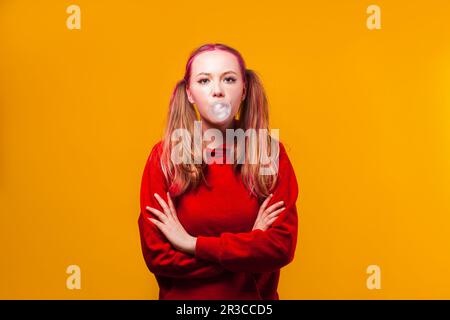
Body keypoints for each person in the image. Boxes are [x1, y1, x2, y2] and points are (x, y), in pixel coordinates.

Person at [137, 43, 299, 300]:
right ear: (189, 93)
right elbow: (159, 257)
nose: (217, 91)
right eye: (204, 80)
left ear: (244, 90)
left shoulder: (268, 153)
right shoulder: (165, 157)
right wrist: (248, 245)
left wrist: (192, 244)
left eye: (229, 79)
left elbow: (280, 248)